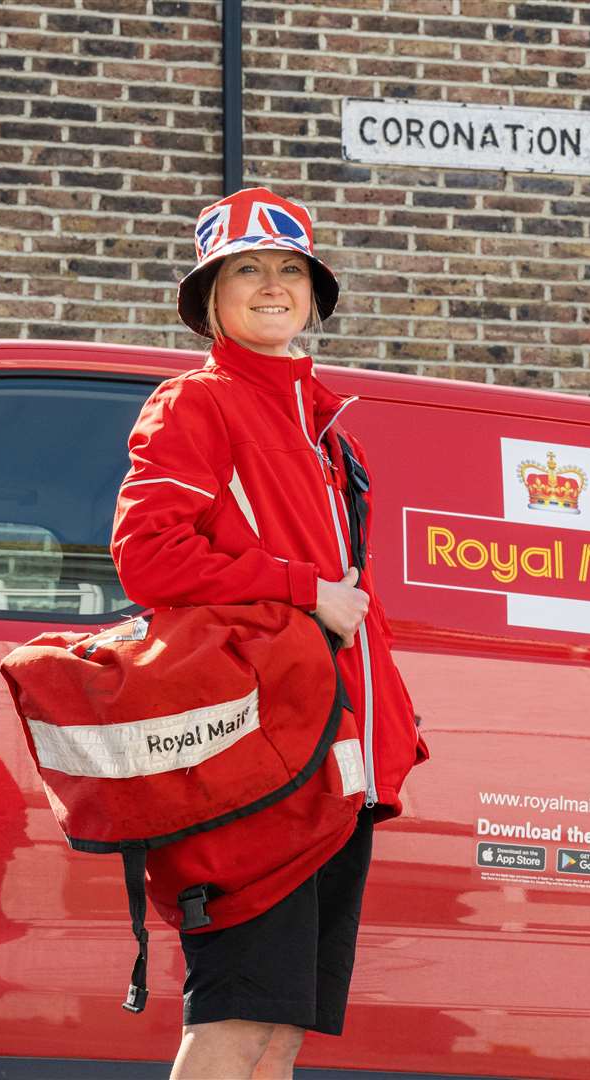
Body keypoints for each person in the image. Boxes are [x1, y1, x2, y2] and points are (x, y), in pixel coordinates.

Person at [110, 186, 424, 1079]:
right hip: (252, 766)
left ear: (316, 295)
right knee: (235, 1024)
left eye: (291, 269)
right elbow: (148, 558)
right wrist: (302, 589)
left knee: (281, 1035)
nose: (273, 285)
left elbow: (354, 612)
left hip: (332, 762)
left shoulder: (328, 429)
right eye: (246, 269)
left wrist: (386, 737)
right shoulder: (193, 404)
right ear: (211, 298)